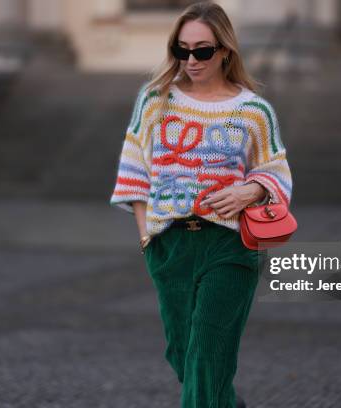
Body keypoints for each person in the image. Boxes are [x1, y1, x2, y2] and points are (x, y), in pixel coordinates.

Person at [109, 2, 292, 407]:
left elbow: (276, 171)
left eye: (203, 50)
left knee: (208, 359)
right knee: (184, 358)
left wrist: (251, 190)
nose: (191, 60)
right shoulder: (155, 100)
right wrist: (146, 238)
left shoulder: (253, 111)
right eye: (182, 49)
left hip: (230, 246)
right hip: (169, 245)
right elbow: (134, 169)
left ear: (225, 51)